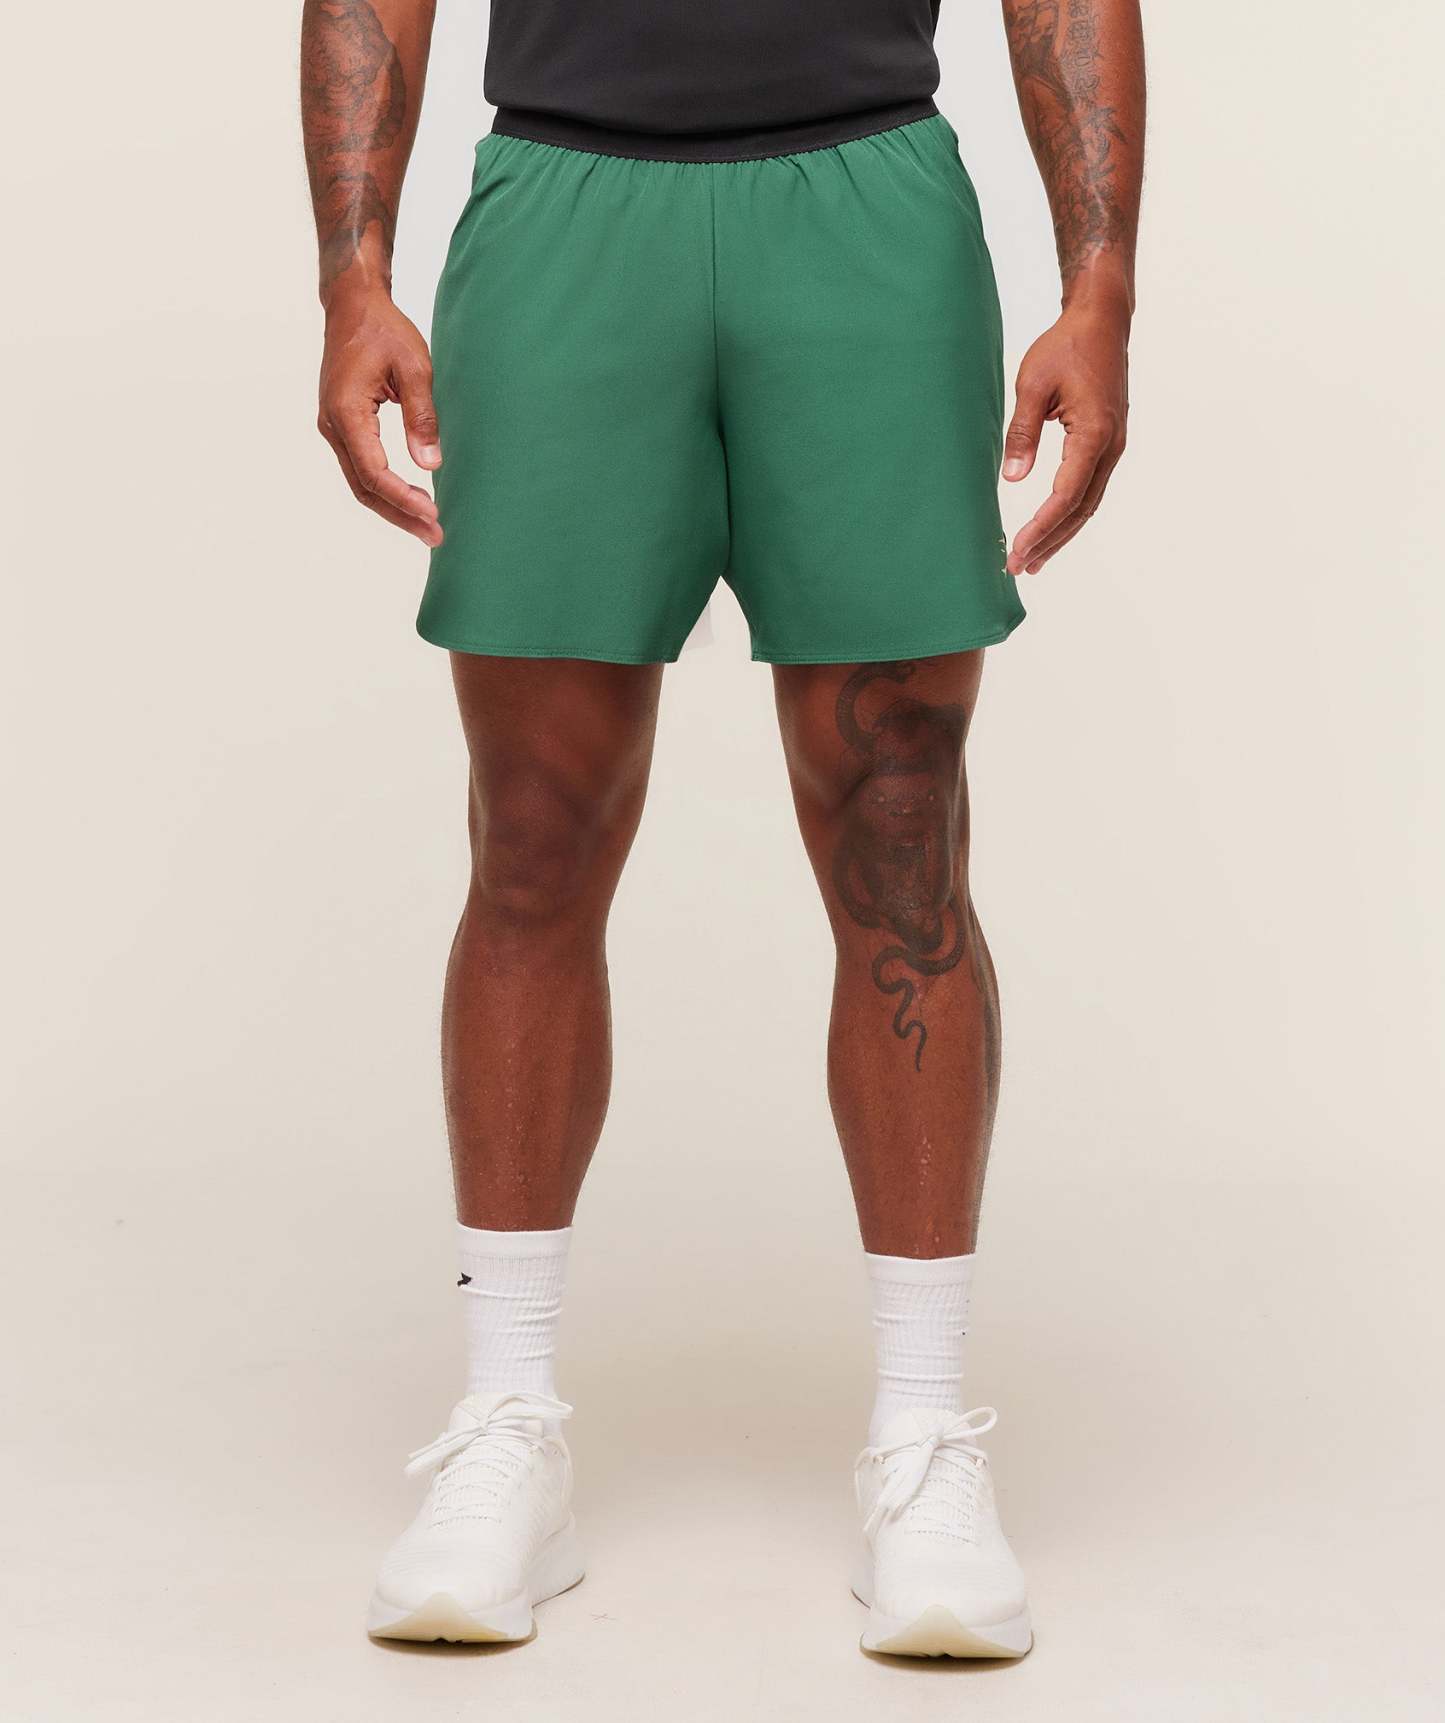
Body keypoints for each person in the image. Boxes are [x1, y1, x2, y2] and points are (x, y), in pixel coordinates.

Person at [301, 0, 1143, 1659]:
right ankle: (509, 1420)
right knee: (533, 836)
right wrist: (351, 276)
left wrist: (1099, 290)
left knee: (901, 839)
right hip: (561, 207)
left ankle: (922, 1434)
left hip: (867, 208)